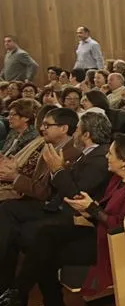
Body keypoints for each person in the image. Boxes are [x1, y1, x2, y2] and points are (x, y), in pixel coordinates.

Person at [0, 133, 125, 306]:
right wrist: (88, 208)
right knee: (45, 234)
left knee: (47, 254)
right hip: (98, 231)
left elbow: (122, 226)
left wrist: (92, 209)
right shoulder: (118, 178)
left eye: (111, 154)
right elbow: (104, 211)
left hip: (114, 244)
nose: (106, 157)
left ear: (124, 161)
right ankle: (23, 296)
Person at [0, 110, 111, 294]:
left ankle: (13, 290)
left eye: (77, 130)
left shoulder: (98, 159)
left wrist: (58, 170)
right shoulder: (87, 153)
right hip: (55, 203)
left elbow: (76, 196)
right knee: (7, 210)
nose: (74, 134)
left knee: (30, 232)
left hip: (73, 215)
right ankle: (7, 284)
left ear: (87, 135)